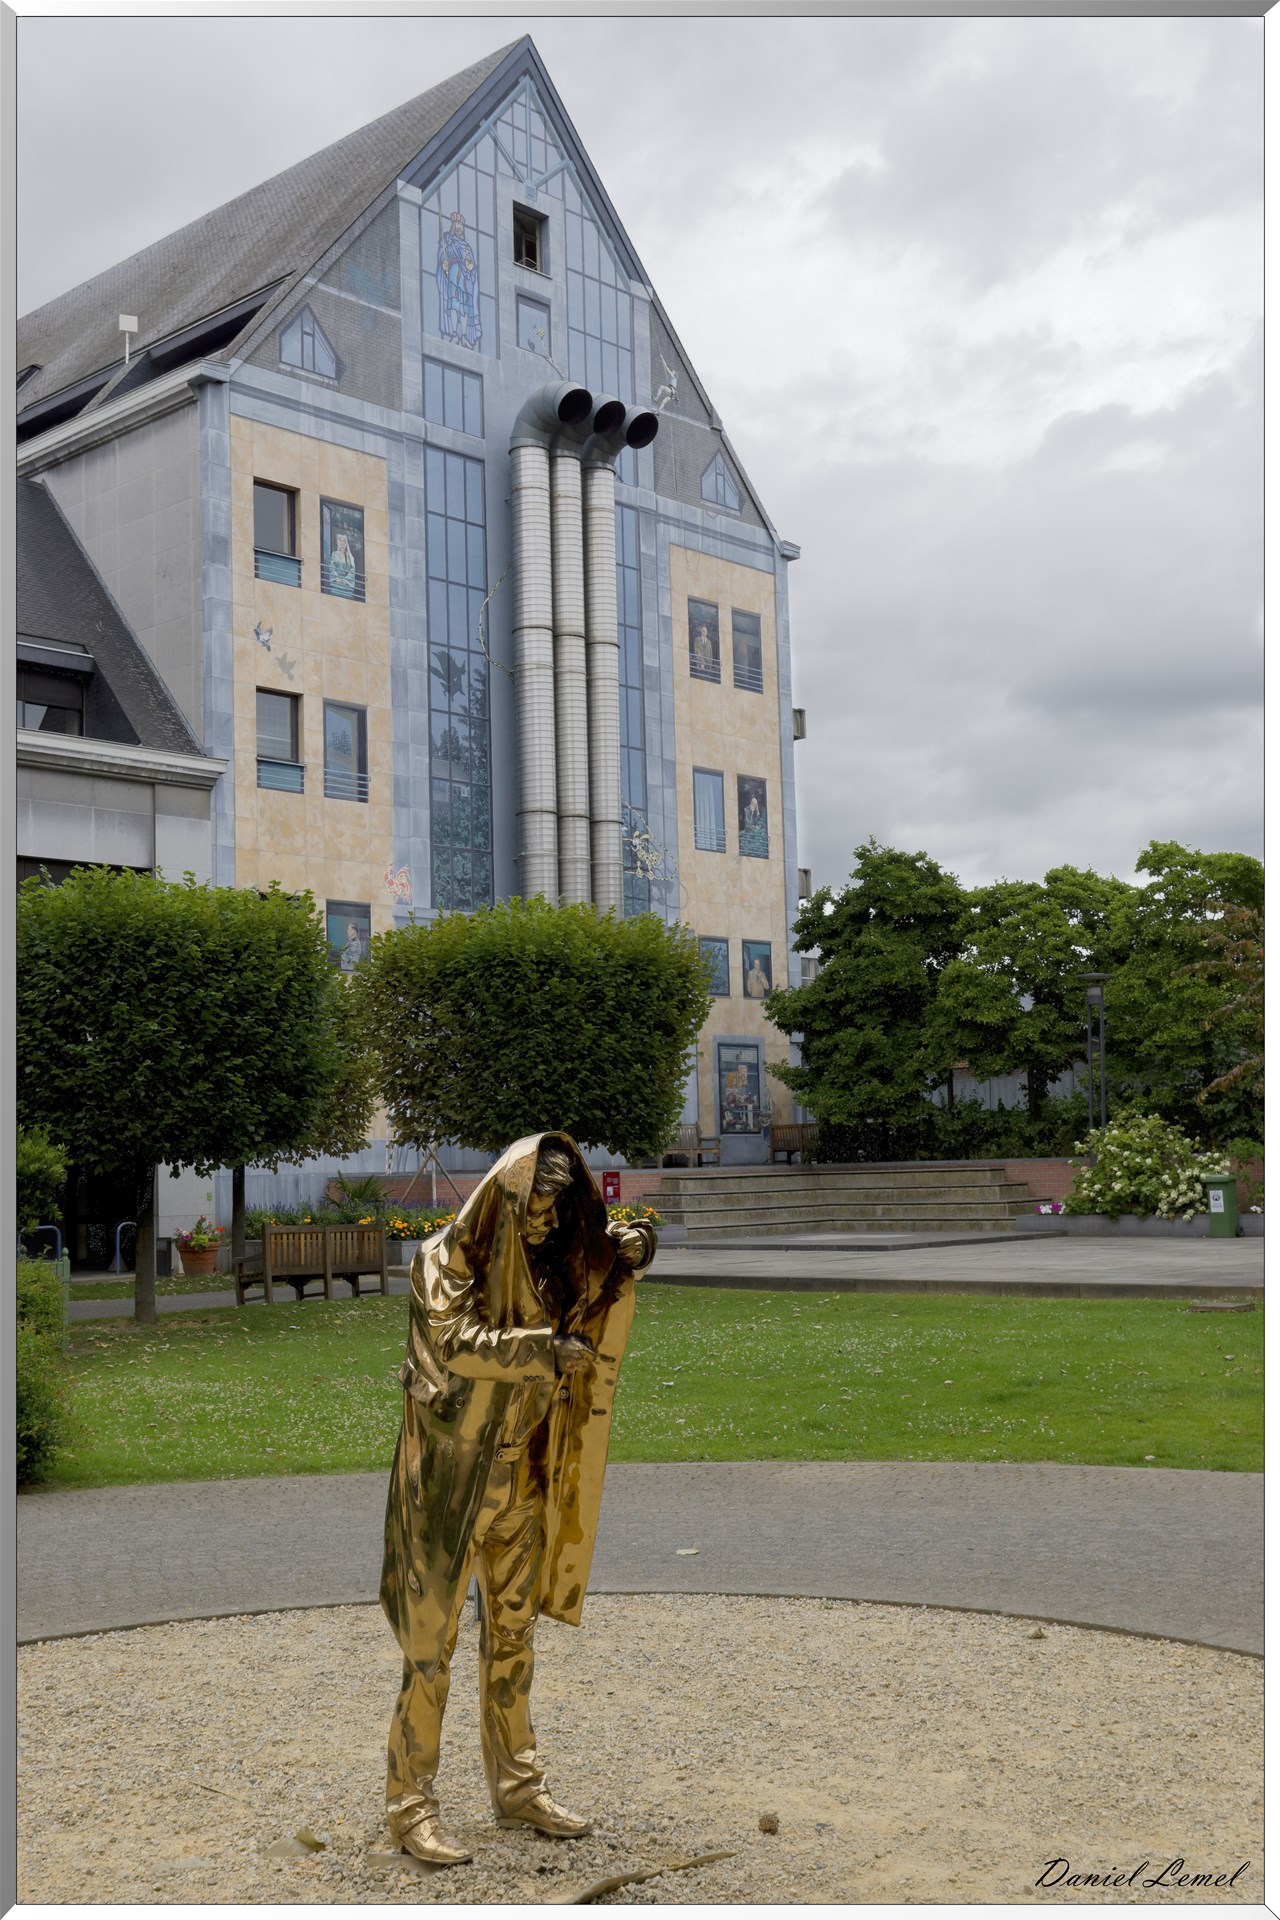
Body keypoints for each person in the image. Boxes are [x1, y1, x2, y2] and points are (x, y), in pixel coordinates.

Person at [380, 1132, 655, 1865]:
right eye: (533, 1213)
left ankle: (516, 1786)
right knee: (429, 1650)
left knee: (513, 1640)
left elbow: (587, 1293)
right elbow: (456, 1343)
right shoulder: (439, 1262)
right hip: (450, 1487)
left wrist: (622, 1255)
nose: (542, 1228)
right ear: (502, 1200)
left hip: (522, 1479)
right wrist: (541, 1352)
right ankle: (410, 1804)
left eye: (552, 1216)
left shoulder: (540, 1261)